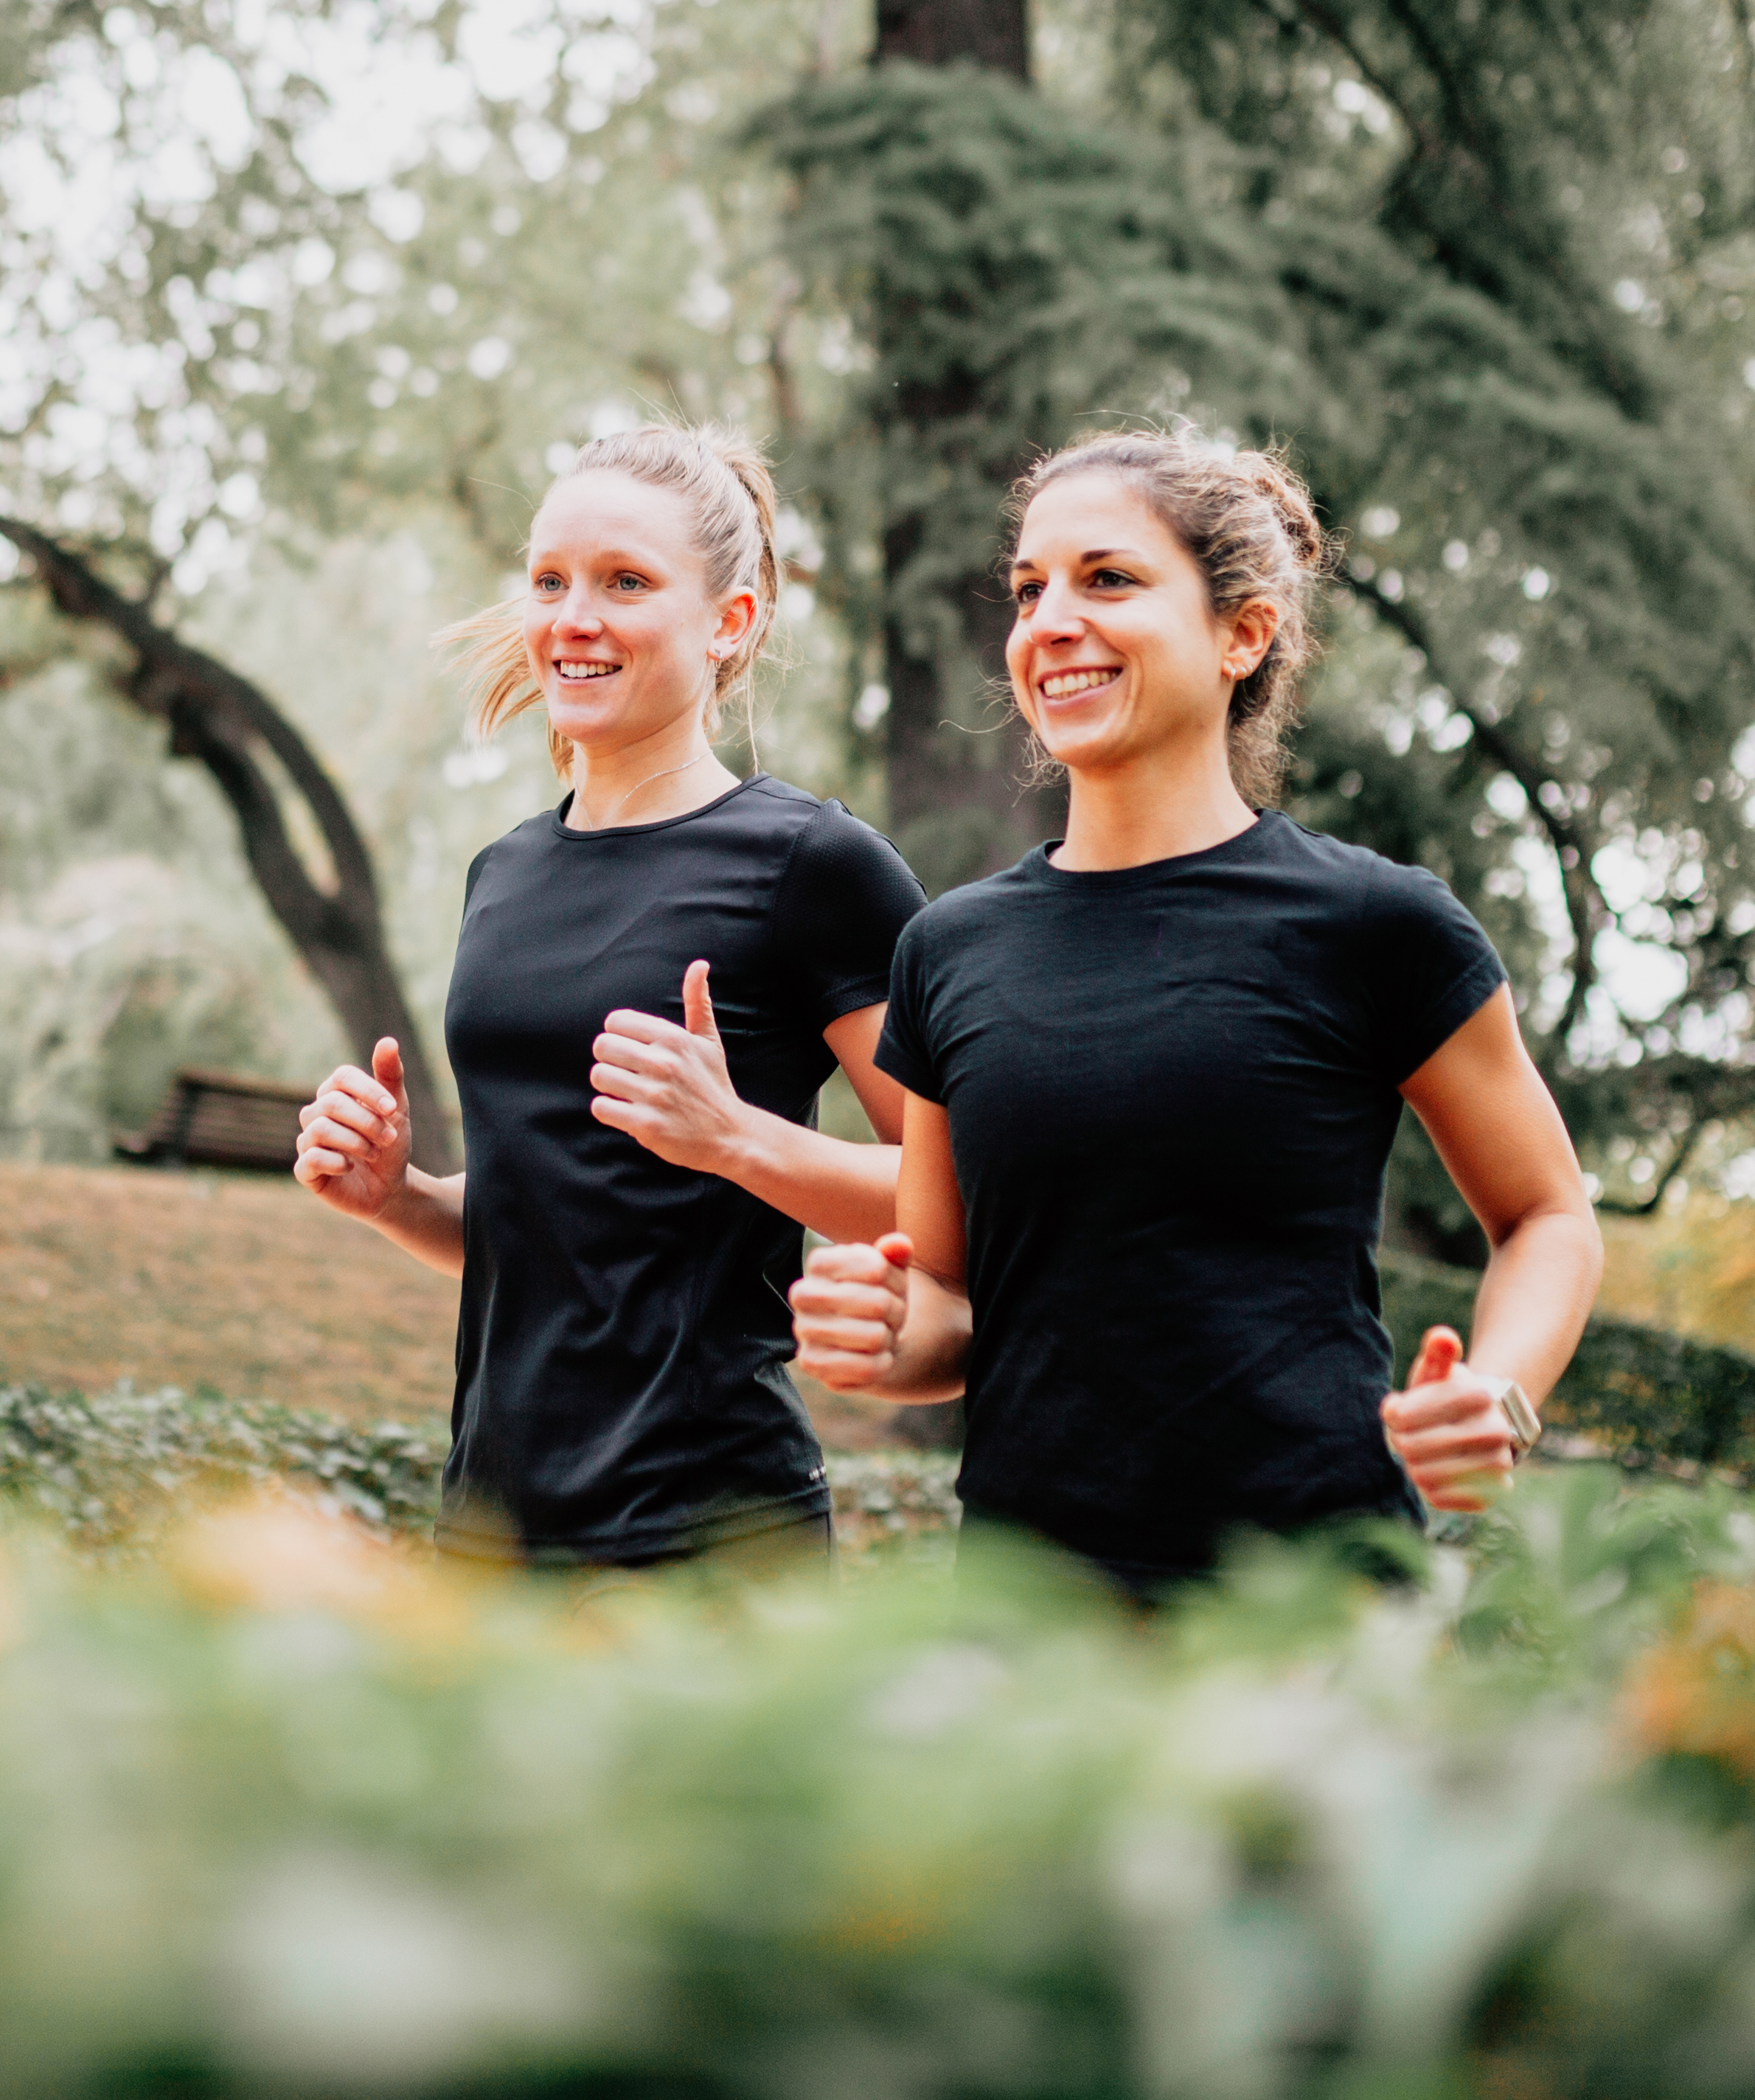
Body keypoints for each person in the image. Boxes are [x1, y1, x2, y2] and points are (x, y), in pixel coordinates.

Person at [787, 426, 1602, 1598]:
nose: (1049, 620)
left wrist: (1499, 1395)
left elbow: (1547, 1219)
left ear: (1243, 632)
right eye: (1029, 589)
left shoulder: (1377, 925)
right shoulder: (948, 951)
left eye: (1107, 578)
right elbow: (955, 1308)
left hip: (1314, 1617)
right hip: (1033, 1631)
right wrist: (875, 1335)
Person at [291, 423, 927, 1569]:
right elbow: (553, 1215)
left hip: (707, 1535)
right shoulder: (505, 875)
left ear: (729, 623)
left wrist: (736, 1139)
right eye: (550, 582)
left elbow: (963, 1197)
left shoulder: (813, 866)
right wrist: (397, 1196)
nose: (572, 618)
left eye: (625, 583)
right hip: (488, 1530)